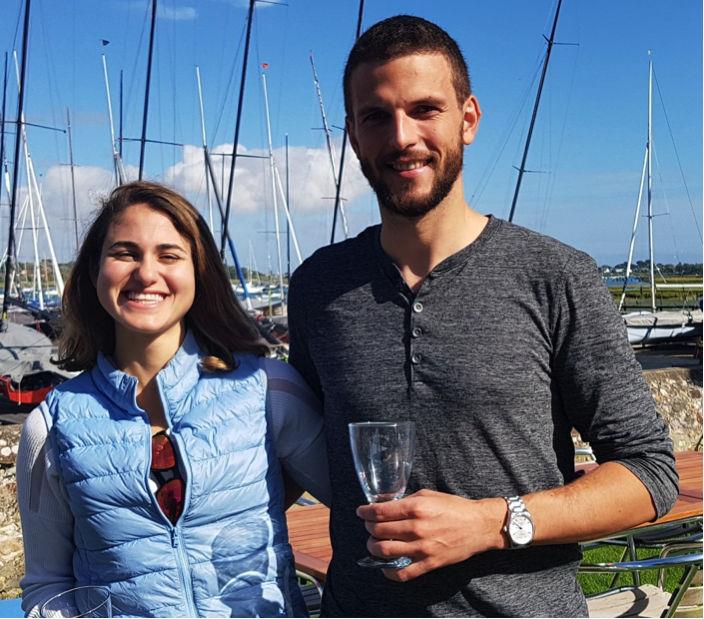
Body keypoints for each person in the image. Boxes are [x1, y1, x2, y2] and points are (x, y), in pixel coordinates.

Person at [287, 15, 678, 617]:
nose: (402, 137)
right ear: (353, 135)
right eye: (376, 116)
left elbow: (648, 473)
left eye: (425, 109)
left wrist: (492, 523)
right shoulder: (319, 285)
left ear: (468, 118)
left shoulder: (556, 275)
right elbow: (300, 442)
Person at [17, 181, 330, 617]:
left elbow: (359, 502)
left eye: (168, 255)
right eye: (125, 253)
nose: (146, 273)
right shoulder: (51, 427)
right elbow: (47, 587)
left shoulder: (268, 389)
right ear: (94, 272)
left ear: (198, 272)